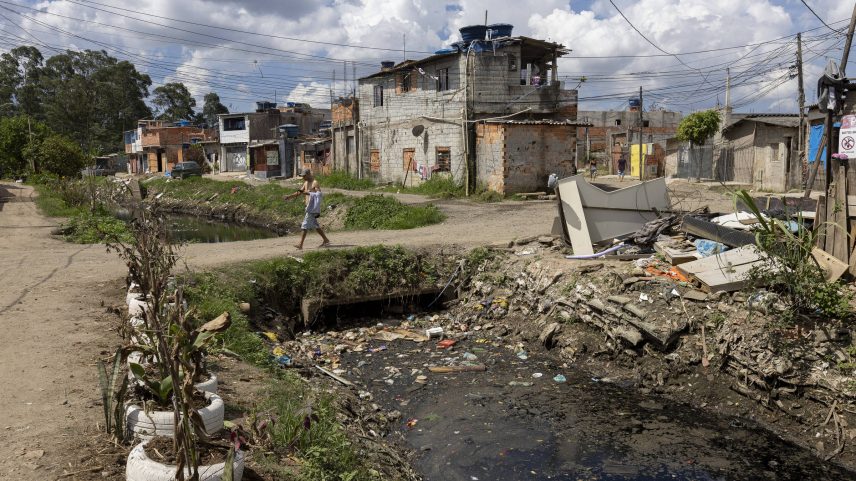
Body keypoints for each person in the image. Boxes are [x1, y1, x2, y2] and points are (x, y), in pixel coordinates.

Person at [284, 169, 330, 249]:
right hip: (308, 207)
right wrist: (289, 196)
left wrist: (309, 193)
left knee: (304, 226)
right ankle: (326, 240)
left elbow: (319, 194)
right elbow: (300, 192)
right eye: (302, 176)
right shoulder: (305, 183)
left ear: (309, 174)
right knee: (316, 226)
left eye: (304, 176)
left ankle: (300, 244)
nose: (303, 177)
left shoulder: (315, 183)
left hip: (312, 208)